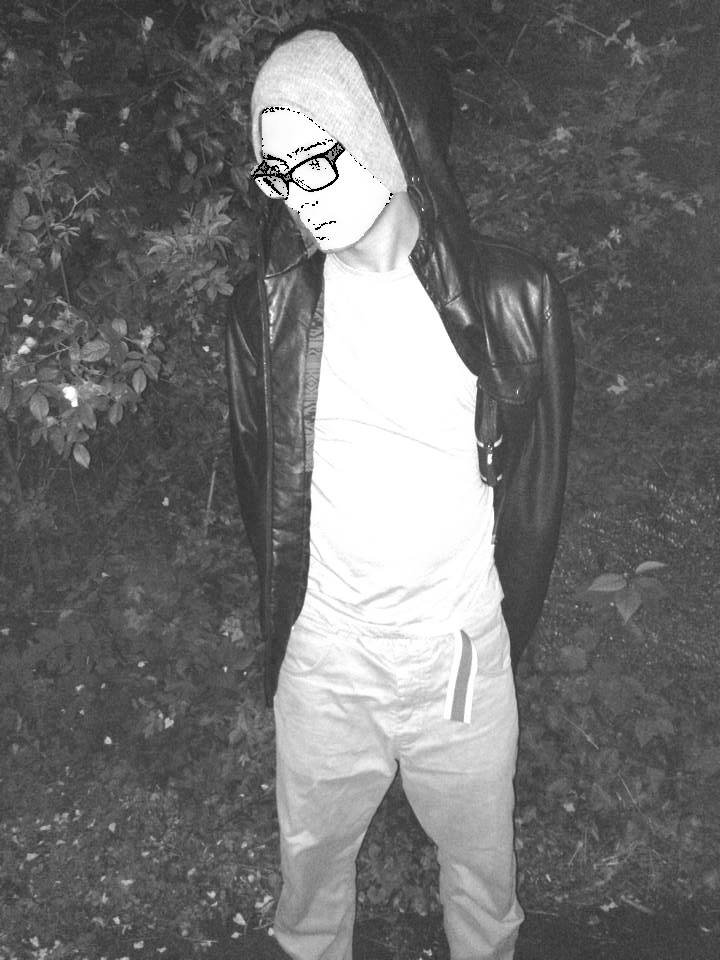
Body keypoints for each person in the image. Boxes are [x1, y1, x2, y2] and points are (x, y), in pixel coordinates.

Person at [226, 14, 574, 960]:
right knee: (308, 882)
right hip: (325, 658)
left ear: (383, 138)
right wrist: (301, 622)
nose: (297, 198)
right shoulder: (268, 311)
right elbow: (264, 484)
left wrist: (490, 629)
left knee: (483, 875)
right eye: (276, 172)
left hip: (455, 654)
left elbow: (536, 490)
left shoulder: (511, 299)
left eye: (314, 161)